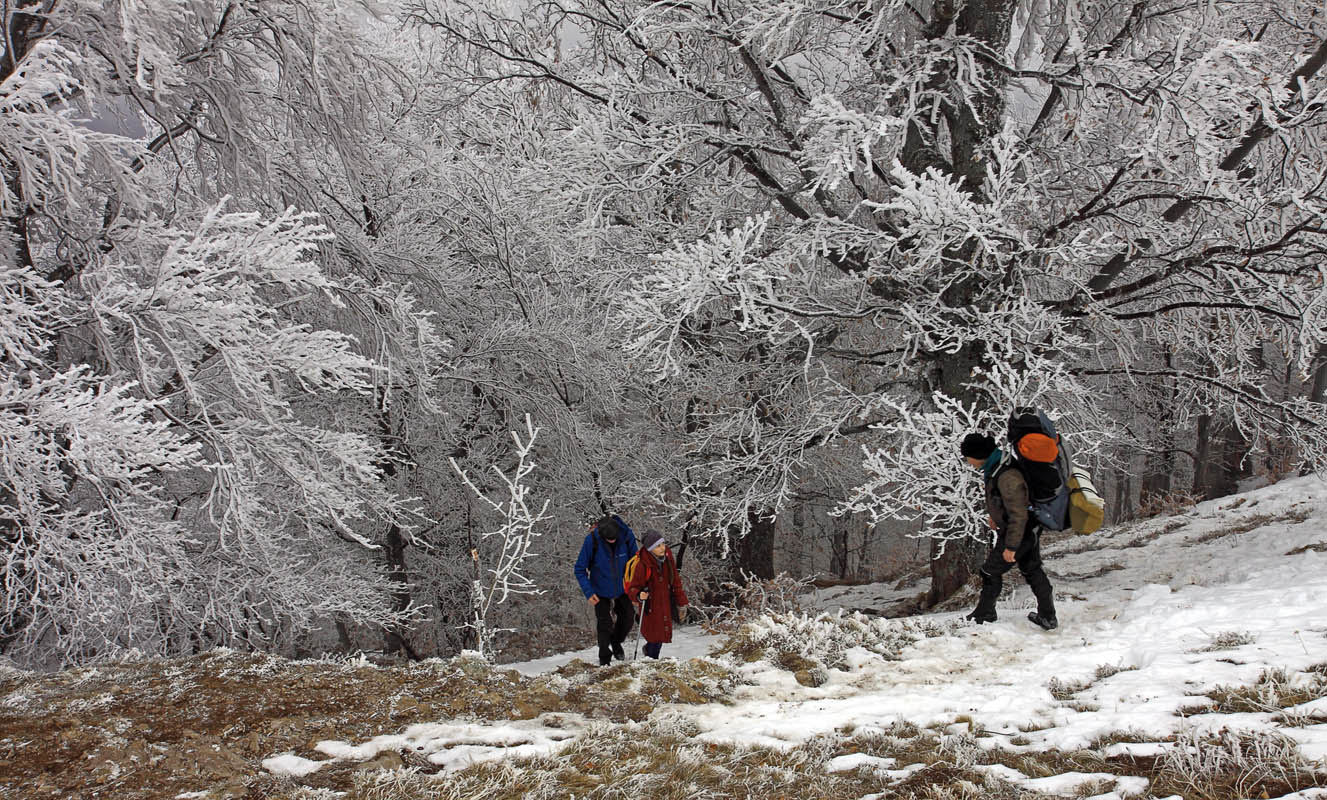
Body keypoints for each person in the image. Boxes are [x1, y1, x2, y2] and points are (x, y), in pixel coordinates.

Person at [960, 432, 1058, 630]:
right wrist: (995, 516)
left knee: (989, 571)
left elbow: (1018, 514)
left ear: (978, 455)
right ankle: (1048, 616)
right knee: (1032, 569)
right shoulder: (997, 467)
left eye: (968, 457)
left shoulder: (1007, 475)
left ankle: (984, 614)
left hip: (1021, 530)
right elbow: (1003, 500)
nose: (967, 461)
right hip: (1025, 529)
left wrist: (1011, 546)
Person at [574, 514, 639, 666]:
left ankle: (616, 642)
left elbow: (635, 563)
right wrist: (589, 592)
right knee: (604, 623)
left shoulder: (627, 536)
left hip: (623, 586)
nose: (612, 541)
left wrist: (636, 588)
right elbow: (579, 569)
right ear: (602, 535)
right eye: (609, 539)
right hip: (599, 587)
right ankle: (604, 657)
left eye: (614, 538)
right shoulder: (592, 541)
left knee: (628, 617)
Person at [623, 529, 689, 659]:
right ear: (650, 548)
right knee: (655, 635)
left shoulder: (668, 558)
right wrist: (638, 595)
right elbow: (633, 587)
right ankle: (652, 659)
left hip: (665, 601)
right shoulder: (642, 564)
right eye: (658, 546)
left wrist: (682, 602)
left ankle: (650, 653)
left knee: (661, 634)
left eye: (663, 544)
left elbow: (676, 580)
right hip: (650, 606)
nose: (662, 548)